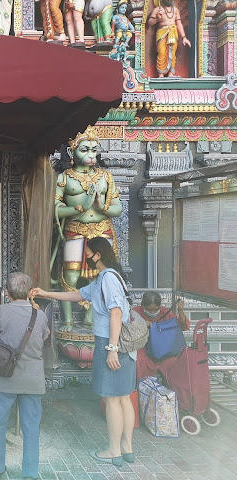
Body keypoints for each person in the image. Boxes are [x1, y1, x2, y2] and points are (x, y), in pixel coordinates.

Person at [31, 237, 135, 468]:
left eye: (88, 253)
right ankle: (126, 448)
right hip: (123, 345)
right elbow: (78, 295)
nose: (85, 257)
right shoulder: (107, 277)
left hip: (111, 342)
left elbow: (116, 313)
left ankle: (114, 450)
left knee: (111, 399)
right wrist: (47, 294)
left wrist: (112, 349)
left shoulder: (107, 278)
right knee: (124, 397)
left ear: (98, 255)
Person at [0, 272, 50, 480]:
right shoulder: (40, 315)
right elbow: (45, 336)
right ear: (29, 292)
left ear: (7, 293)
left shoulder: (2, 311)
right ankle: (30, 472)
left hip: (2, 379)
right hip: (32, 380)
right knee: (31, 427)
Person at [53, 126, 122, 330]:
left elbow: (118, 208)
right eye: (85, 149)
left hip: (102, 229)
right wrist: (78, 206)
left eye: (94, 150)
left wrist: (103, 207)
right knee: (71, 274)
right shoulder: (65, 177)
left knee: (103, 273)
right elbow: (56, 209)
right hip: (75, 229)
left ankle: (91, 318)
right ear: (71, 152)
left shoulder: (106, 177)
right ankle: (67, 320)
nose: (91, 155)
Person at [134, 291, 189, 381]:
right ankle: (143, 385)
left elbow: (183, 326)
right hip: (142, 346)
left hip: (162, 347)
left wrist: (180, 311)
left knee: (176, 360)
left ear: (159, 307)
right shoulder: (136, 312)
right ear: (142, 306)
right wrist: (141, 324)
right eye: (149, 309)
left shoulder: (164, 312)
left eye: (155, 309)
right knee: (139, 361)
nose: (152, 312)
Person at [147, 0, 191, 77]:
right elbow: (149, 22)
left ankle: (171, 73)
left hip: (173, 32)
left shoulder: (175, 10)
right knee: (161, 52)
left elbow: (179, 23)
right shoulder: (158, 9)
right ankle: (161, 74)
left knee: (173, 53)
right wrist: (157, 18)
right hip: (162, 32)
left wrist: (184, 37)